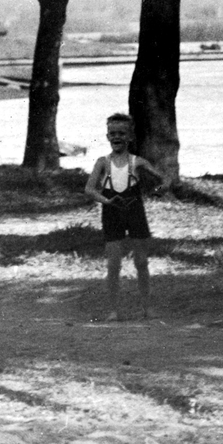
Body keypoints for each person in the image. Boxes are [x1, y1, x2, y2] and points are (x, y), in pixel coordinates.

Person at [85, 113, 164, 321]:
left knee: (141, 261)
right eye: (112, 133)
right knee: (113, 264)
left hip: (135, 211)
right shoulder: (103, 162)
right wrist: (106, 201)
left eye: (121, 133)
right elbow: (89, 189)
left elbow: (164, 179)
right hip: (112, 211)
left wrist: (158, 189)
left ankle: (147, 308)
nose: (116, 137)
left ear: (130, 136)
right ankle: (113, 310)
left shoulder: (137, 162)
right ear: (107, 136)